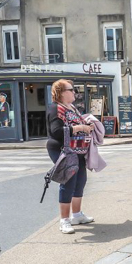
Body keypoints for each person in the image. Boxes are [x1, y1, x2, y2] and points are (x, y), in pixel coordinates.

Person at [46, 80, 94, 234]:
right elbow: (57, 132)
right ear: (61, 92)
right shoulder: (55, 108)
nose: (75, 92)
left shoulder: (72, 107)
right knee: (69, 182)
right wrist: (80, 127)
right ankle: (64, 221)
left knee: (80, 181)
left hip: (77, 150)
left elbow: (75, 124)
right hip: (63, 150)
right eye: (71, 90)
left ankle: (77, 215)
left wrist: (88, 125)